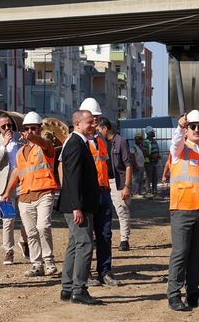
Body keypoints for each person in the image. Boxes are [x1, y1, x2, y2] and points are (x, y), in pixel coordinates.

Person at [167, 110, 199, 311]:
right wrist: (179, 127)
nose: (197, 130)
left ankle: (193, 294)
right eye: (193, 127)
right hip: (182, 208)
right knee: (180, 253)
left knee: (197, 254)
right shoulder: (179, 150)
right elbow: (176, 142)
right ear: (187, 130)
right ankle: (174, 295)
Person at [1, 111, 58, 277]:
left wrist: (33, 138)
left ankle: (48, 261)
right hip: (25, 196)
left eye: (33, 128)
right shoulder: (20, 153)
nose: (30, 131)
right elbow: (17, 172)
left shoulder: (46, 146)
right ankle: (36, 264)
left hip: (44, 193)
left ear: (39, 129)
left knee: (43, 227)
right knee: (31, 232)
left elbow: (44, 143)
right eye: (27, 128)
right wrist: (6, 192)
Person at [57, 110, 102, 305]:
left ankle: (68, 288)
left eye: (94, 122)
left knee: (75, 245)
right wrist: (77, 207)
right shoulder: (75, 144)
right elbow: (73, 178)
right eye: (90, 122)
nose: (94, 125)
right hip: (78, 206)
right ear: (77, 124)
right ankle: (79, 289)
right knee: (84, 245)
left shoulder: (79, 143)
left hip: (79, 205)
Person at [78, 98, 122, 287]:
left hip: (103, 191)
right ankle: (85, 273)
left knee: (105, 234)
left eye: (97, 117)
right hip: (89, 193)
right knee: (86, 237)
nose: (95, 121)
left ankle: (105, 272)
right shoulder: (78, 140)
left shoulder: (100, 140)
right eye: (92, 117)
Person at [0, 113, 29, 265]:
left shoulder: (20, 138)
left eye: (9, 125)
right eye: (4, 126)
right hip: (5, 187)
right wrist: (3, 146)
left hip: (23, 184)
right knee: (8, 220)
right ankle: (8, 251)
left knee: (28, 218)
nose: (7, 128)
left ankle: (24, 241)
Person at [97, 117, 133, 252]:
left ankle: (124, 239)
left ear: (105, 128)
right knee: (103, 212)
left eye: (99, 130)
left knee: (122, 210)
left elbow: (128, 165)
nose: (98, 133)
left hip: (118, 182)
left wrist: (127, 186)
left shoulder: (120, 142)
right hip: (104, 182)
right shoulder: (100, 143)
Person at [144, 126, 160, 197]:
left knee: (155, 178)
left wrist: (158, 156)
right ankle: (148, 192)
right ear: (149, 133)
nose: (154, 133)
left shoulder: (154, 141)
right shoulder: (145, 142)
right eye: (153, 132)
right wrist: (152, 156)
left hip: (155, 162)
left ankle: (154, 191)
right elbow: (144, 152)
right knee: (148, 177)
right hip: (149, 163)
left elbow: (156, 150)